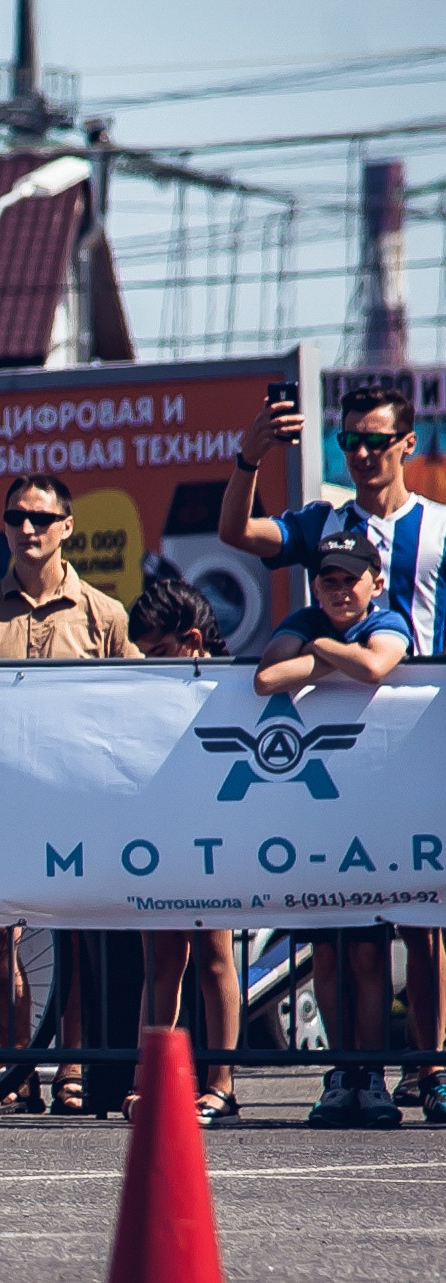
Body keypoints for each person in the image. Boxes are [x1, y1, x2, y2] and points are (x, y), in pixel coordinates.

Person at [224, 382, 444, 1125]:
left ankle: (432, 1068)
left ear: (407, 444)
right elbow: (238, 534)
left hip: (417, 738)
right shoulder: (326, 521)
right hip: (331, 746)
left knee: (424, 920)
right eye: (349, 439)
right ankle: (352, 1074)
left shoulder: (439, 529)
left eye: (375, 440)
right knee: (335, 922)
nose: (360, 452)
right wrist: (249, 455)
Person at [0, 471, 134, 1115]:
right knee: (0, 939)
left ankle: (74, 1070)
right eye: (15, 517)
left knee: (76, 939)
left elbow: (136, 707)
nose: (26, 528)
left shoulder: (105, 614)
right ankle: (14, 1067)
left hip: (78, 804)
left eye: (40, 518)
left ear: (67, 528)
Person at [254, 527, 412, 1130]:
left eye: (351, 579)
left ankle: (370, 1074)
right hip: (319, 819)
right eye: (328, 580)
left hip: (372, 810)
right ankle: (340, 1074)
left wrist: (317, 654)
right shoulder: (304, 617)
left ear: (373, 581)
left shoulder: (388, 619)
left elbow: (375, 665)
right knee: (325, 954)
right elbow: (266, 678)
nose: (340, 590)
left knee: (370, 956)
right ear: (314, 585)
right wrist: (325, 650)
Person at [127, 577, 243, 1125]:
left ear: (194, 640)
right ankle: (149, 1083)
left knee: (215, 956)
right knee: (163, 961)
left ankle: (221, 1084)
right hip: (160, 829)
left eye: (158, 651)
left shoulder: (232, 683)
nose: (147, 662)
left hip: (215, 830)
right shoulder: (150, 688)